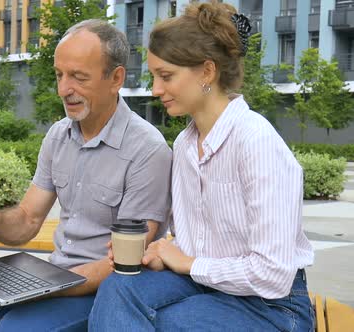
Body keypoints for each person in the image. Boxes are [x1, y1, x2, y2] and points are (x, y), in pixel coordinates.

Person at [0, 19, 172, 331]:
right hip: (56, 279)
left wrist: (35, 291)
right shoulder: (59, 136)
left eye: (78, 77)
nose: (64, 89)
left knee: (17, 329)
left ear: (116, 78)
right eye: (60, 75)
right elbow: (28, 220)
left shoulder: (148, 150)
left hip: (108, 291)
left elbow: (125, 263)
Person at [88, 1, 315, 331]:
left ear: (207, 71)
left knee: (173, 322)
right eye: (154, 76)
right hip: (206, 286)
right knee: (118, 287)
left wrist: (189, 263)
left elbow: (273, 273)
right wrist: (161, 252)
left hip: (272, 306)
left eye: (166, 76)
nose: (156, 89)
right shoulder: (184, 146)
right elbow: (193, 242)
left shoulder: (256, 142)